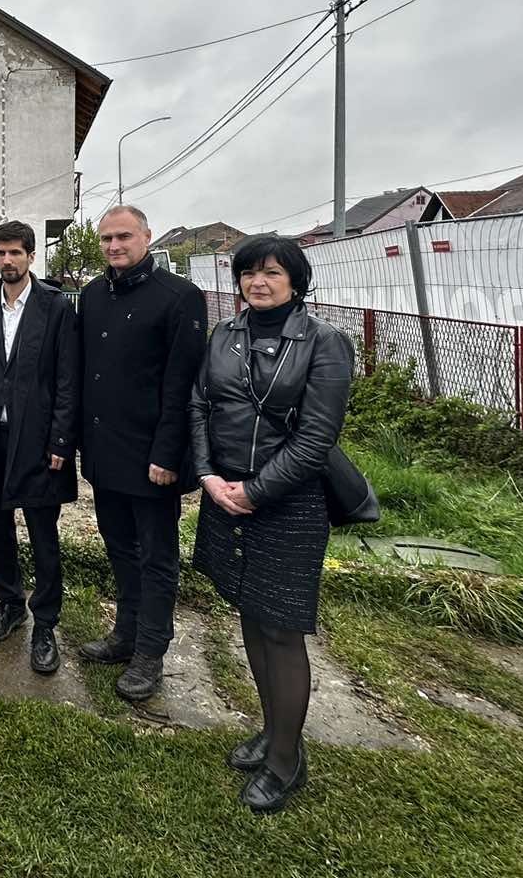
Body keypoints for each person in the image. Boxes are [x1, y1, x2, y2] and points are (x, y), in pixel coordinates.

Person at [189, 234, 352, 814]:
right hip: (224, 491)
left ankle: (286, 759)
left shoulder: (324, 342)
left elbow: (316, 438)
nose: (258, 282)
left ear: (296, 280)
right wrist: (207, 474)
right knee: (251, 617)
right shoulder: (226, 334)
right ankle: (273, 732)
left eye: (272, 273)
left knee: (282, 629)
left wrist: (255, 491)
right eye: (249, 273)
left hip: (288, 502)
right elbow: (200, 406)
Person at [76, 204, 207, 703]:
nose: (114, 246)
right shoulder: (92, 295)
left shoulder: (179, 298)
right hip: (105, 453)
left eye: (123, 237)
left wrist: (169, 452)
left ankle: (151, 650)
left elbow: (183, 385)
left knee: (157, 556)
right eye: (107, 239)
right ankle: (125, 633)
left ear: (147, 237)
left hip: (154, 457)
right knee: (118, 546)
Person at [0, 220, 78, 674]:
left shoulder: (57, 309)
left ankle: (45, 623)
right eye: (1, 253)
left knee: (43, 535)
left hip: (41, 442)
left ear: (30, 257)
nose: (8, 261)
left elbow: (68, 381)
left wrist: (62, 439)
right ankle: (10, 605)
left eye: (16, 253)